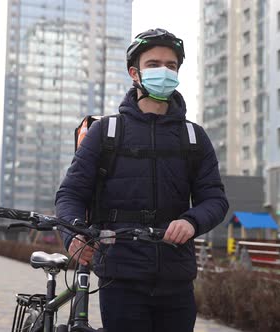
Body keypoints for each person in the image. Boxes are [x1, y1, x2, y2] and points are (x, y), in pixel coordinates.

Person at [55, 28, 229, 332]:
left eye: (171, 65)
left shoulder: (193, 136)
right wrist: (74, 237)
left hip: (177, 278)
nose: (164, 71)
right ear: (134, 72)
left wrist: (191, 221)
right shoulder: (106, 132)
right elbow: (70, 194)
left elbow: (215, 199)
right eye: (154, 64)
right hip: (121, 276)